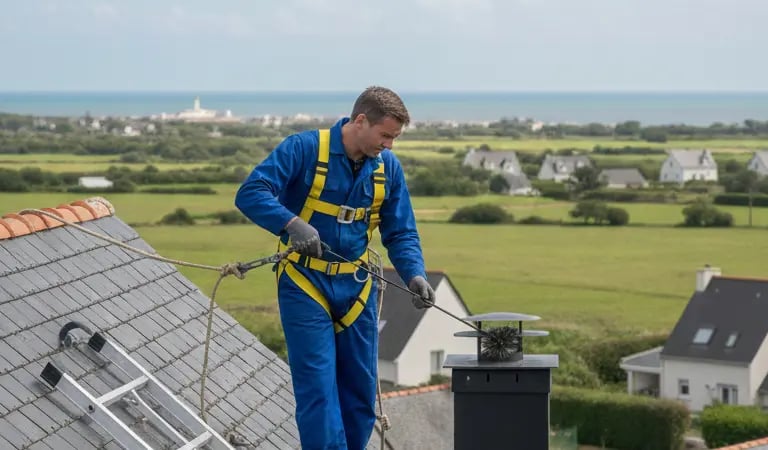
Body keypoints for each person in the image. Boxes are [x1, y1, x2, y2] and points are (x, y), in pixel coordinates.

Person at [234, 86, 435, 449]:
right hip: (304, 283)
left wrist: (414, 274)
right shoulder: (304, 149)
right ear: (360, 120)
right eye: (385, 135)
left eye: (394, 137)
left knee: (360, 396)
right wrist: (290, 224)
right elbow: (251, 192)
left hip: (357, 288)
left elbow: (401, 231)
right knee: (318, 391)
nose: (389, 145)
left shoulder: (387, 168)